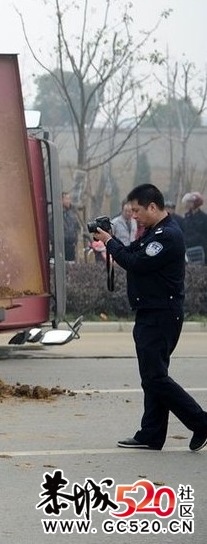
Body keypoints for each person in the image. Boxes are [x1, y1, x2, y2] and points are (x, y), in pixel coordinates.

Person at [92, 183, 207, 452]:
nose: (134, 216)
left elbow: (136, 263)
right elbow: (131, 253)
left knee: (155, 377)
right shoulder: (154, 232)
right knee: (152, 376)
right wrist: (111, 238)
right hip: (152, 313)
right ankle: (151, 434)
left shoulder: (167, 236)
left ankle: (201, 422)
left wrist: (108, 242)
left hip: (161, 315)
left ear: (152, 207)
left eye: (137, 211)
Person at [62, 192, 80, 262]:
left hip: (71, 247)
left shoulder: (72, 213)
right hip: (61, 246)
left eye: (69, 199)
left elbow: (77, 227)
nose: (68, 201)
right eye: (66, 199)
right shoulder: (56, 214)